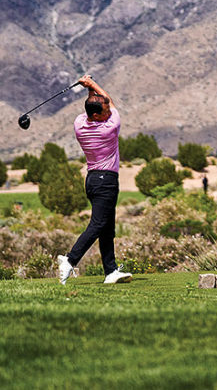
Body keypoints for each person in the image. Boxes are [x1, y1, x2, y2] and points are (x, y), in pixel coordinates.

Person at [58, 75, 132, 285]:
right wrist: (90, 84)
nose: (110, 112)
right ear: (98, 116)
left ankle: (111, 271)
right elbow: (108, 100)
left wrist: (88, 89)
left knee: (107, 227)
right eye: (105, 111)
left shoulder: (80, 124)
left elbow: (97, 102)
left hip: (92, 180)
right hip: (106, 180)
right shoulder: (110, 128)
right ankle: (70, 260)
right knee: (99, 223)